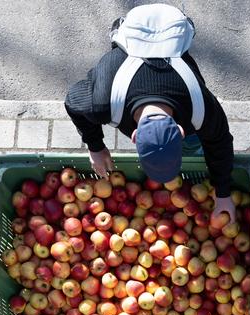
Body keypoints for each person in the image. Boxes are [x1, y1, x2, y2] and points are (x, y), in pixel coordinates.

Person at [65, 3, 236, 221]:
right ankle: (121, 29)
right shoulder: (102, 103)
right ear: (180, 131)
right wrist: (95, 146)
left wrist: (223, 194)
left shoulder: (201, 107)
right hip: (132, 41)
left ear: (135, 137)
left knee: (203, 137)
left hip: (172, 35)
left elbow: (220, 142)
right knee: (204, 133)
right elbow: (72, 101)